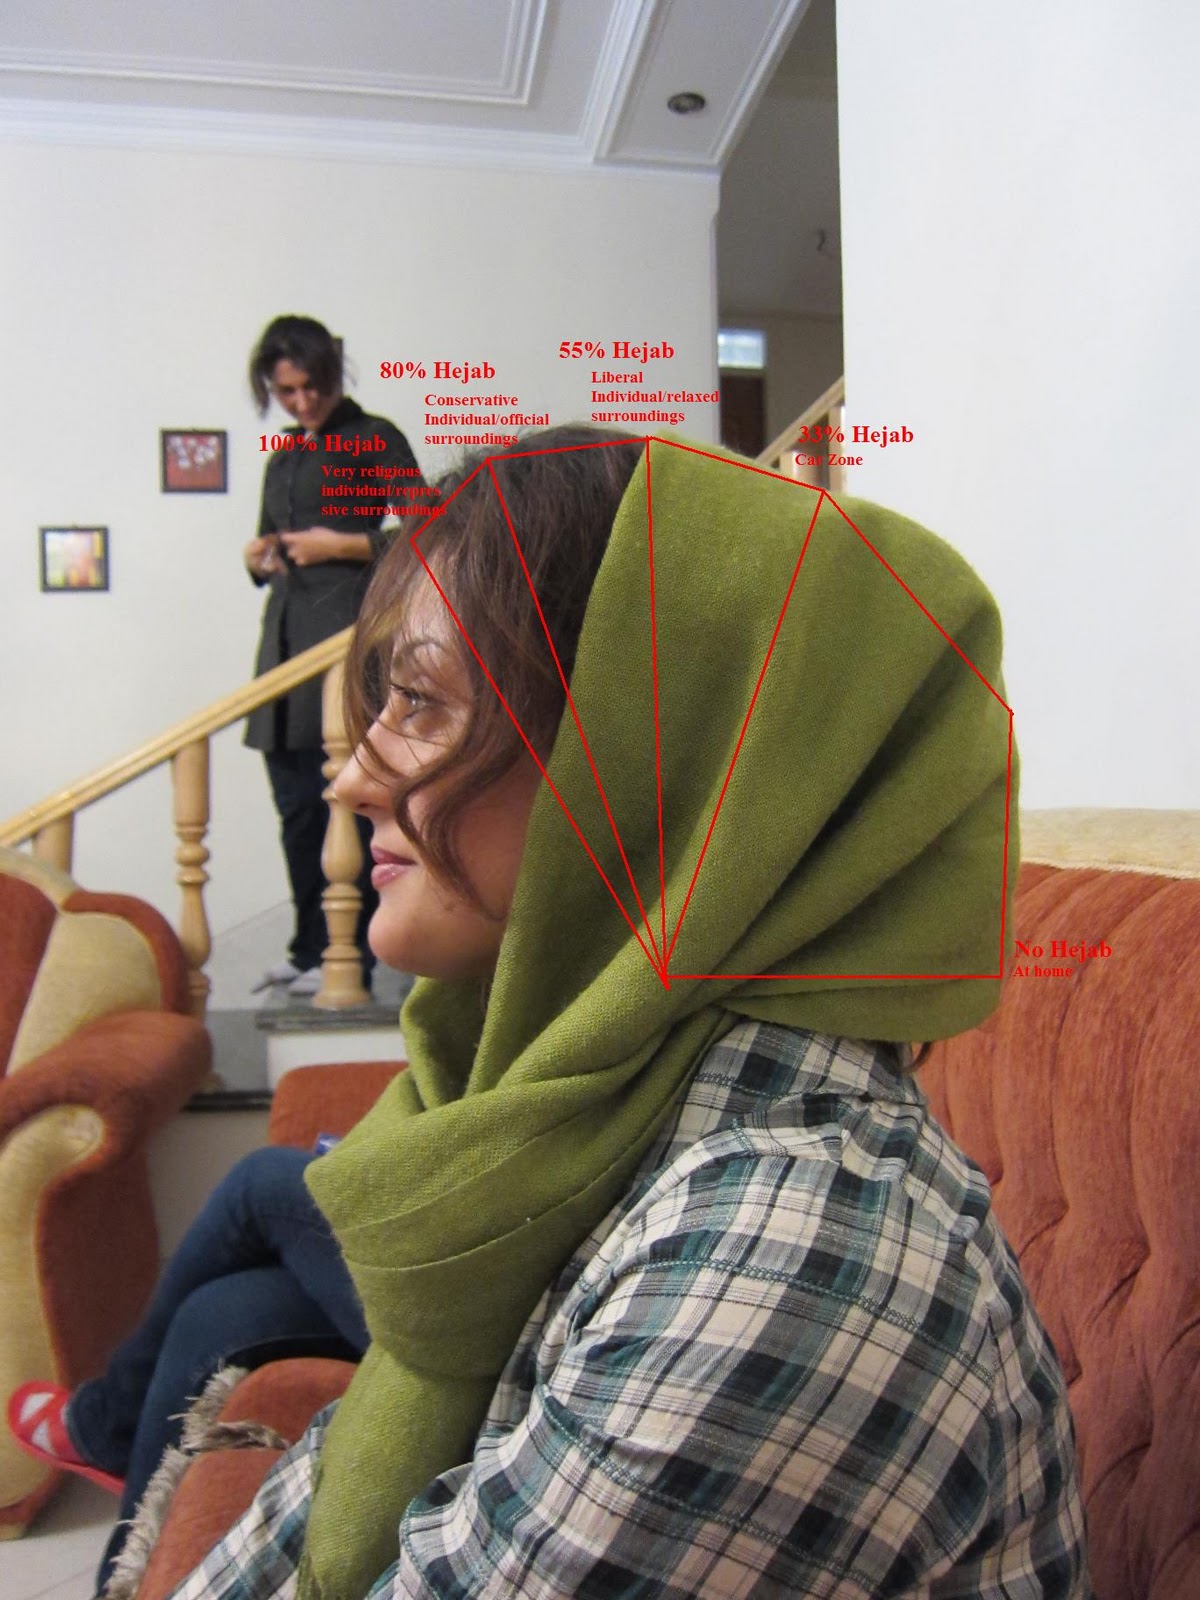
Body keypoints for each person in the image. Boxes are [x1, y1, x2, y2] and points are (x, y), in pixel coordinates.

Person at [158, 427, 1089, 1597]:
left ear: (661, 765)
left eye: (422, 702)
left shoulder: (788, 1246)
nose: (354, 773)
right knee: (242, 1303)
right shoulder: (578, 1096)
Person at [7, 1146, 368, 1594]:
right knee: (212, 1314)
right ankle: (122, 1583)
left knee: (260, 1183)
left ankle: (108, 1421)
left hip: (446, 1300)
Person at [244, 314, 423, 997]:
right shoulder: (284, 456)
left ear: (332, 373)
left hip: (346, 638)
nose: (301, 402)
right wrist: (259, 556)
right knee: (295, 806)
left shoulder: (373, 437)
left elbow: (428, 526)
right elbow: (270, 540)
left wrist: (344, 545)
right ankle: (306, 946)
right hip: (284, 646)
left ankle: (351, 953)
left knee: (344, 804)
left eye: (311, 386)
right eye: (286, 392)